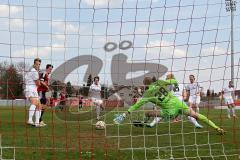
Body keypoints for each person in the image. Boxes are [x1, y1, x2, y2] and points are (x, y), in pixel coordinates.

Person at [113, 76, 225, 135]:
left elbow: (135, 106)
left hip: (170, 111)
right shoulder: (160, 83)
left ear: (145, 84)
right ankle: (217, 128)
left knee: (148, 113)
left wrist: (125, 114)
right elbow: (174, 80)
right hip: (179, 104)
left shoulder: (147, 94)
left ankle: (146, 122)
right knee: (196, 115)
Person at [25, 58, 43, 127]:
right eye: (36, 64)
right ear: (34, 64)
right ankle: (30, 120)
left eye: (39, 64)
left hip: (32, 90)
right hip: (30, 89)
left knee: (39, 106)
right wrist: (40, 80)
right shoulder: (34, 72)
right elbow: (38, 84)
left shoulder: (31, 71)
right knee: (35, 103)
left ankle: (37, 123)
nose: (37, 65)